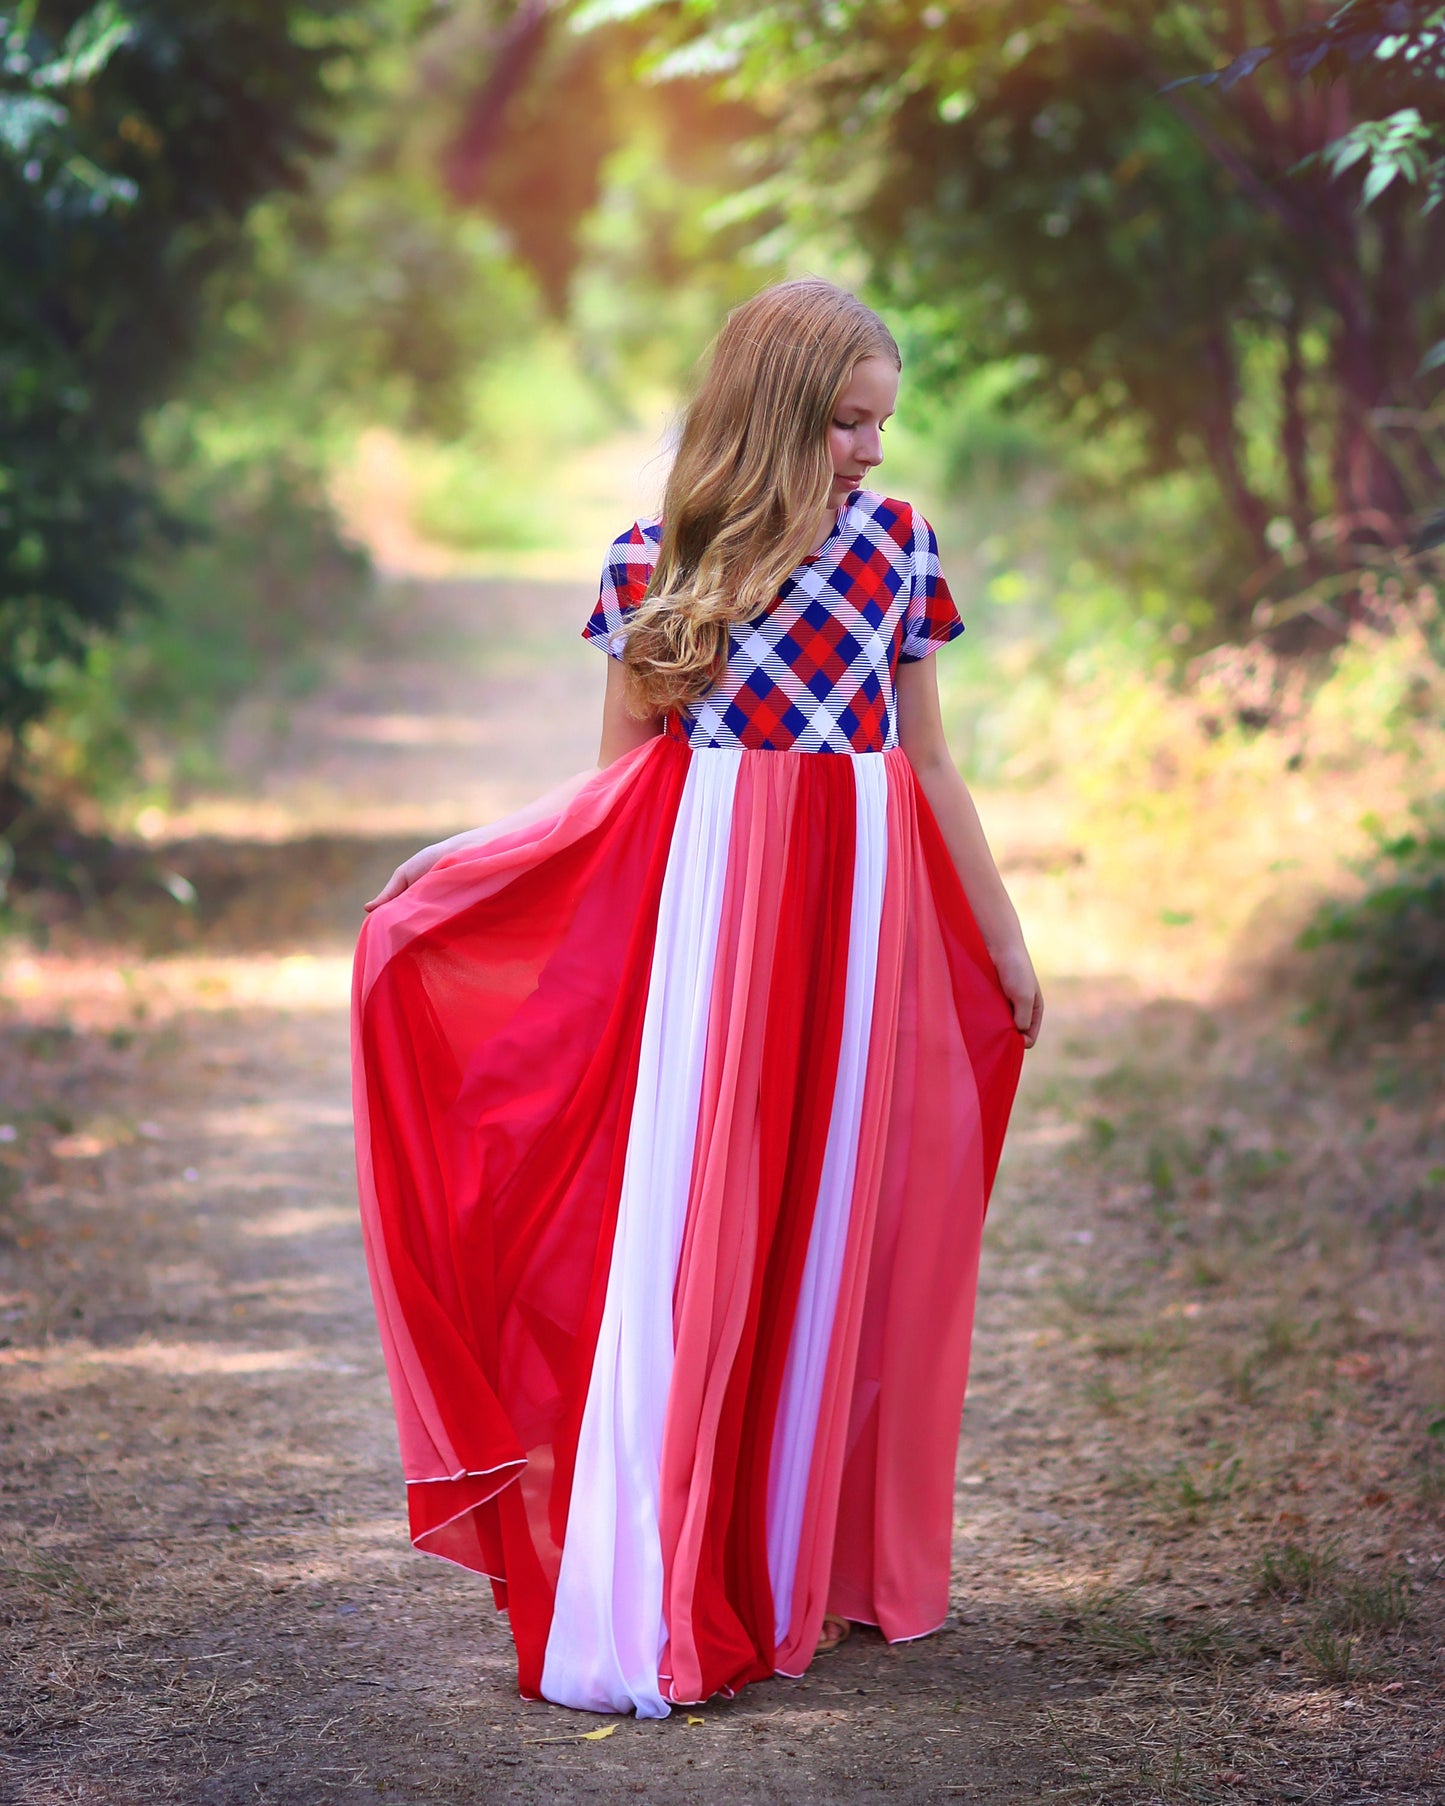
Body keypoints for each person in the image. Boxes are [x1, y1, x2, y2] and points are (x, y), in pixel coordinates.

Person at [351, 278, 1042, 1720]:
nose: (866, 449)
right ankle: (683, 1551)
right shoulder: (654, 563)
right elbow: (616, 788)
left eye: (877, 424)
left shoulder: (901, 547)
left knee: (836, 1215)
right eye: (846, 421)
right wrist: (465, 868)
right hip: (711, 929)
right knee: (705, 1222)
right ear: (778, 408)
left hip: (860, 918)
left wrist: (1001, 935)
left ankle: (802, 1558)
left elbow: (924, 764)